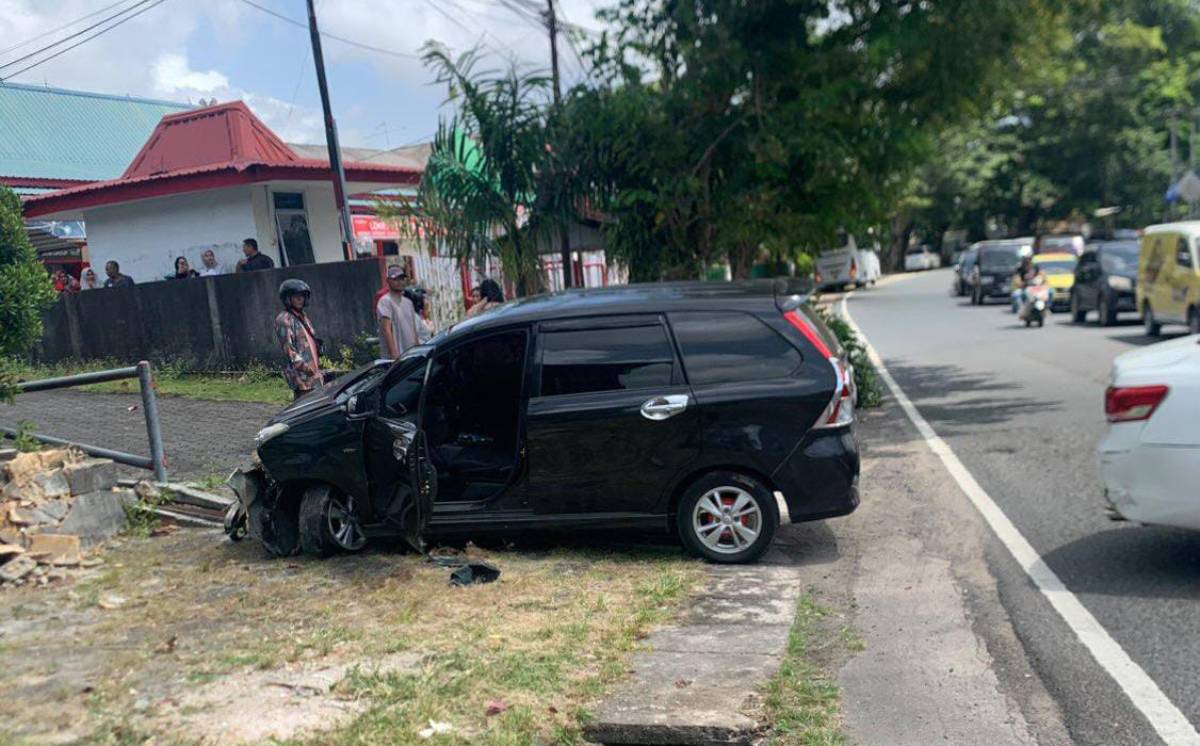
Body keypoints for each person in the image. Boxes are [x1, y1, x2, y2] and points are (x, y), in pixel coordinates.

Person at [273, 279, 324, 400]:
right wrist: (306, 368)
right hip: (302, 378)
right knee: (305, 411)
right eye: (296, 296)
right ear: (287, 298)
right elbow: (289, 350)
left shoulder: (302, 316)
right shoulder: (284, 319)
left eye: (302, 296)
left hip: (314, 375)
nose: (300, 299)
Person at [376, 265, 420, 359]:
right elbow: (386, 329)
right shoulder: (385, 301)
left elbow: (413, 329)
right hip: (396, 358)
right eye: (395, 279)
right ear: (388, 281)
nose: (399, 282)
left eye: (402, 278)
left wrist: (418, 350)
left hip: (411, 355)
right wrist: (394, 354)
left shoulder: (408, 303)